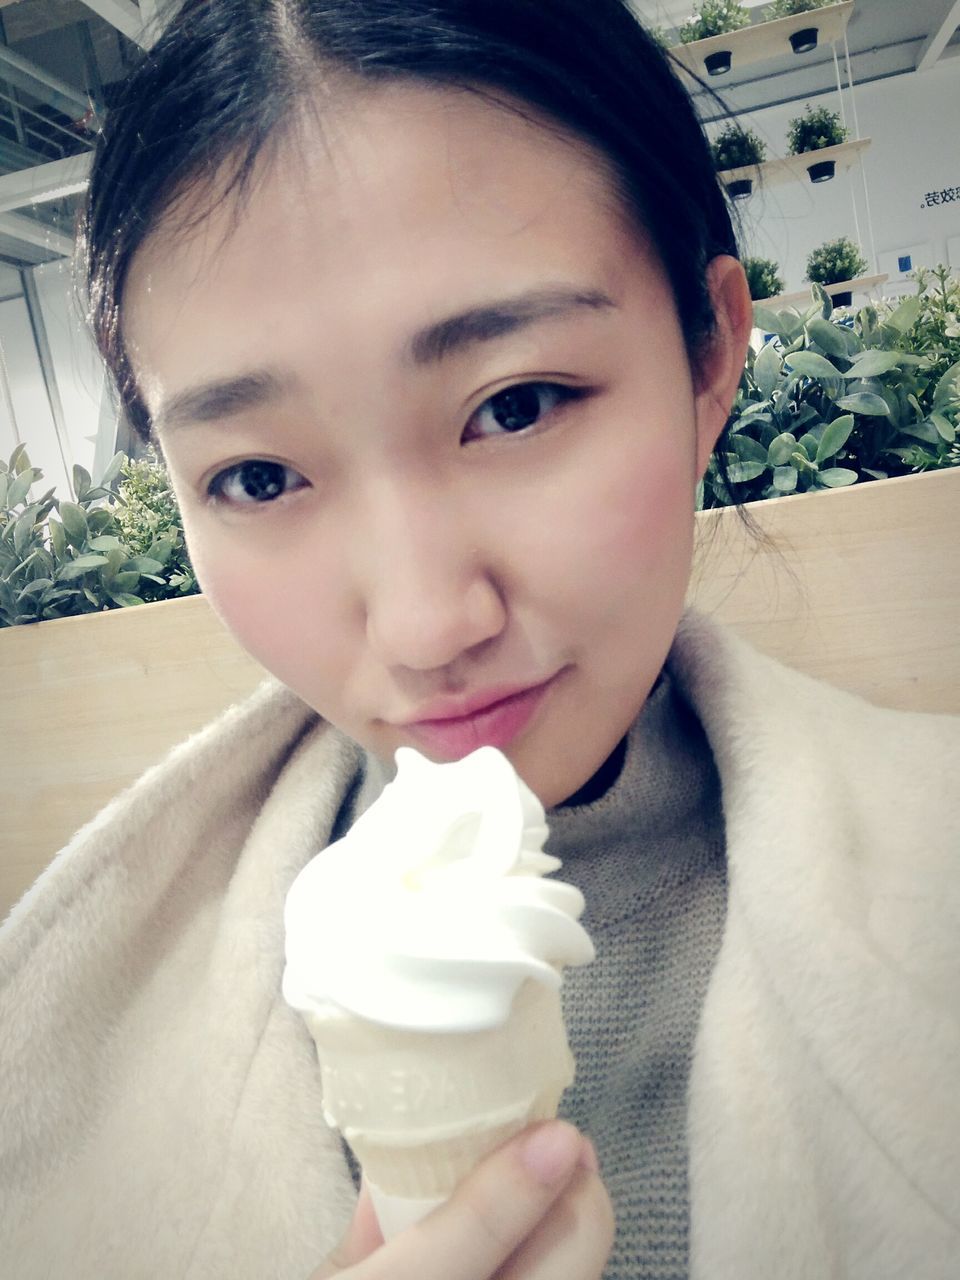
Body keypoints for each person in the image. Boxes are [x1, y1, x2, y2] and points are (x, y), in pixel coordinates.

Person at [1, 1, 958, 1277]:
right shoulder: (63, 1038)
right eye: (258, 477)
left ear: (711, 353)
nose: (424, 624)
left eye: (516, 404)